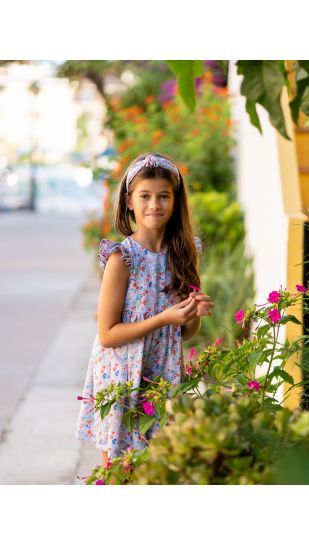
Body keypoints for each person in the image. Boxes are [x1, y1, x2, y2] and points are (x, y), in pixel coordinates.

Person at [75, 152, 214, 469]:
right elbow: (108, 335)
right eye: (146, 196)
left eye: (164, 196)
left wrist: (192, 313)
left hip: (162, 372)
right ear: (129, 201)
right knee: (121, 469)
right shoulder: (122, 259)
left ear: (175, 201)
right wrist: (164, 318)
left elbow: (185, 334)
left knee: (160, 465)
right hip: (122, 375)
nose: (155, 204)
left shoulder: (184, 253)